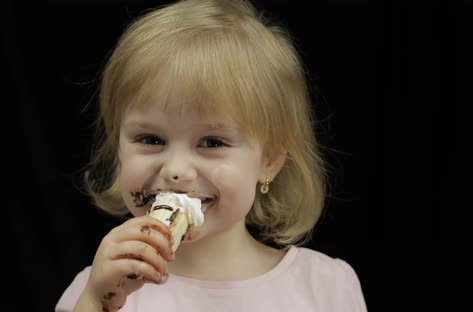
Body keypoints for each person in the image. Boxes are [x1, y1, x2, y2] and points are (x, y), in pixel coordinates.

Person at [55, 0, 367, 311]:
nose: (176, 170)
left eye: (212, 142)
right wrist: (96, 301)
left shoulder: (326, 287)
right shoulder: (99, 288)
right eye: (151, 139)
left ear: (269, 160)